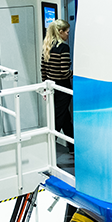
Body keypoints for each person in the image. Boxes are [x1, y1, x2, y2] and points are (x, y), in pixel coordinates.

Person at [41, 19, 74, 153]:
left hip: (52, 87)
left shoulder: (47, 46)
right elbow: (64, 71)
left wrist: (45, 87)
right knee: (59, 119)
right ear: (60, 32)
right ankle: (47, 149)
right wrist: (75, 74)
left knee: (65, 118)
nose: (68, 35)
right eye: (67, 32)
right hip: (63, 87)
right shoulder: (64, 48)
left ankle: (72, 147)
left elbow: (43, 70)